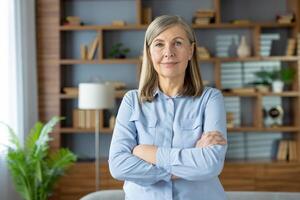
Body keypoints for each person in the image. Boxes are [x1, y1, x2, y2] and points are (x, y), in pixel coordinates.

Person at [109, 15, 227, 200]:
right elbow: (118, 166)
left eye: (178, 43)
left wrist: (146, 153)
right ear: (149, 52)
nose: (168, 52)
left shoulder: (210, 99)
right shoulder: (132, 101)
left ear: (190, 50)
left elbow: (210, 165)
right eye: (159, 44)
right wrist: (187, 162)